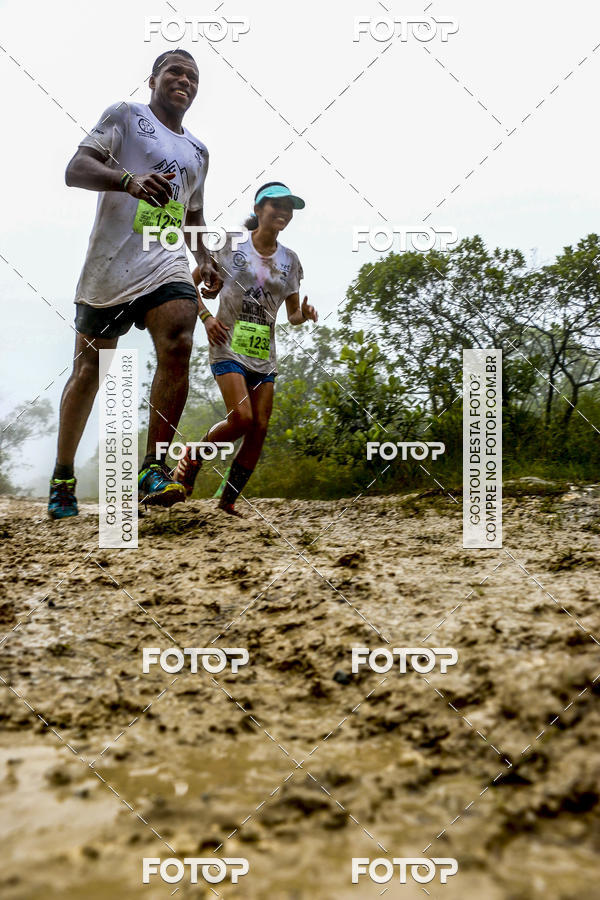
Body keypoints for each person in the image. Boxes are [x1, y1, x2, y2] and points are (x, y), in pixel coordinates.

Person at [48, 49, 222, 520]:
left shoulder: (199, 152)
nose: (184, 80)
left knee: (180, 335)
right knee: (88, 373)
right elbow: (75, 169)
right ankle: (63, 475)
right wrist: (127, 180)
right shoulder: (125, 115)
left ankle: (152, 468)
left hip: (162, 263)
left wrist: (204, 256)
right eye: (175, 72)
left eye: (192, 76)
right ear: (153, 79)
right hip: (108, 268)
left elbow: (194, 214)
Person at [174, 182, 318, 515]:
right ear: (258, 209)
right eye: (276, 206)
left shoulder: (291, 261)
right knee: (241, 418)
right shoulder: (230, 245)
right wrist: (206, 318)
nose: (283, 212)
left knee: (260, 429)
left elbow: (292, 314)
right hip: (228, 346)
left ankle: (227, 502)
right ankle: (194, 454)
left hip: (263, 356)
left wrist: (304, 314)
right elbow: (189, 281)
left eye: (288, 208)